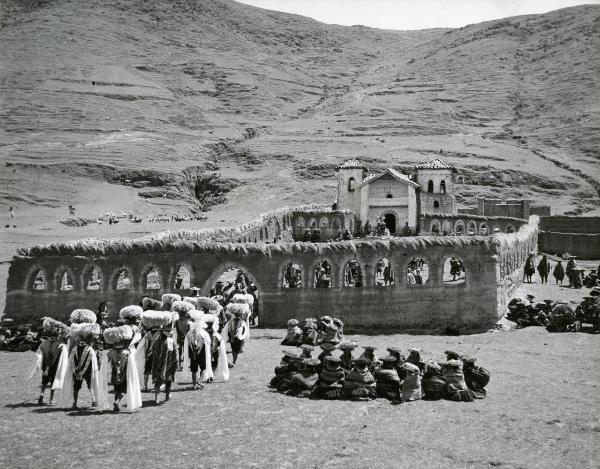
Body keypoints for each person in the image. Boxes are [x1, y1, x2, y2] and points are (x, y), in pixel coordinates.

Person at [34, 319, 67, 405]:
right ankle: (51, 400)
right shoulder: (60, 345)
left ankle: (41, 397)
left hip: (45, 366)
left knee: (44, 382)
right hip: (55, 367)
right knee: (53, 382)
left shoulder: (43, 343)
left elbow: (39, 354)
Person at [151, 325, 178, 405]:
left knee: (157, 382)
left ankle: (157, 399)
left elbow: (154, 353)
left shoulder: (155, 341)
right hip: (168, 365)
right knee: (168, 381)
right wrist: (175, 363)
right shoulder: (170, 341)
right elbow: (175, 353)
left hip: (158, 365)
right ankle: (167, 397)